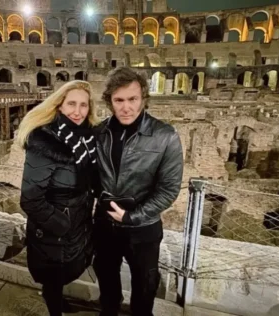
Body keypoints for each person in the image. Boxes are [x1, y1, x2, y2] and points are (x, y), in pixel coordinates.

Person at [93, 67, 184, 316]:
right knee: (106, 281)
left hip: (143, 229)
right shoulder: (99, 133)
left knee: (145, 286)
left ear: (143, 98)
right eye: (119, 100)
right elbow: (88, 179)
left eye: (132, 99)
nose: (126, 107)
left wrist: (132, 217)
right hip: (105, 225)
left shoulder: (165, 136)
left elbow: (168, 189)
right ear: (110, 101)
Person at [17, 80, 99, 316]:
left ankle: (55, 299)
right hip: (55, 228)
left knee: (62, 273)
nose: (77, 111)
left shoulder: (87, 139)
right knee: (53, 276)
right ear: (59, 105)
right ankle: (54, 309)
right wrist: (62, 224)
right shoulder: (45, 143)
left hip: (78, 222)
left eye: (83, 105)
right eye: (71, 104)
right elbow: (30, 199)